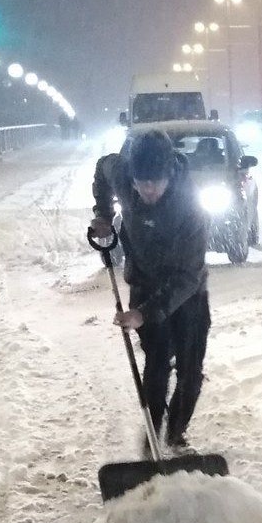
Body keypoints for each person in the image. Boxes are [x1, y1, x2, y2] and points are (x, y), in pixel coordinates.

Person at [90, 128, 211, 454]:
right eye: (142, 183)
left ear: (169, 175)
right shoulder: (125, 177)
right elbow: (103, 167)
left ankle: (174, 435)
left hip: (188, 295)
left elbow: (188, 277)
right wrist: (103, 213)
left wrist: (144, 314)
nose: (148, 191)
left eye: (155, 183)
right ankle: (150, 444)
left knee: (189, 371)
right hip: (144, 283)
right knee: (156, 364)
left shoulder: (191, 209)